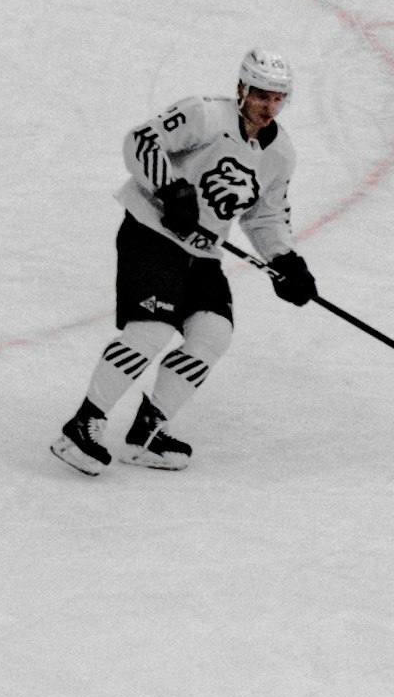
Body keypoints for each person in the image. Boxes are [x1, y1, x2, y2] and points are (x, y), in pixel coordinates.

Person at [52, 43, 316, 479]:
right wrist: (170, 188)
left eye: (277, 98)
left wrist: (286, 261)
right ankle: (82, 425)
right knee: (151, 330)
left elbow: (265, 214)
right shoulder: (205, 115)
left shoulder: (280, 154)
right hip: (152, 234)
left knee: (212, 333)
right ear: (242, 88)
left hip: (204, 251)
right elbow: (141, 141)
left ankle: (148, 430)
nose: (269, 106)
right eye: (261, 95)